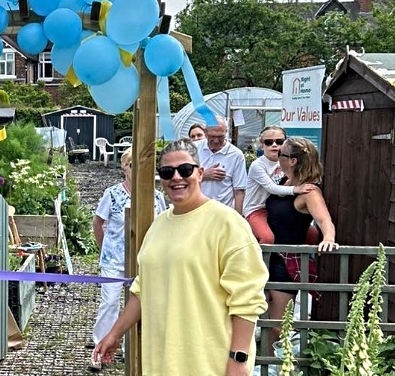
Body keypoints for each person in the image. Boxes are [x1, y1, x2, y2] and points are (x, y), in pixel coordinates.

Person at [95, 138, 268, 375]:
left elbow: (247, 300)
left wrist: (238, 360)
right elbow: (143, 289)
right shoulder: (158, 226)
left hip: (210, 363)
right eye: (167, 172)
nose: (176, 177)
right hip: (161, 362)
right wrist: (115, 334)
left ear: (200, 173)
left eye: (185, 169)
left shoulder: (227, 223)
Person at [88, 147, 166, 369]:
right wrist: (105, 248)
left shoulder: (156, 196)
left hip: (145, 261)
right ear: (124, 167)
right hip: (114, 260)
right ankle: (99, 349)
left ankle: (132, 349)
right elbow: (97, 223)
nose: (138, 170)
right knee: (110, 303)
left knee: (141, 305)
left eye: (143, 165)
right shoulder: (112, 194)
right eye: (132, 165)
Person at [265, 137, 338, 350]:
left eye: (281, 154)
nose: (276, 155)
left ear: (293, 161)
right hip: (268, 256)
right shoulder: (283, 182)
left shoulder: (309, 191)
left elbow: (325, 219)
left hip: (285, 261)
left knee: (276, 324)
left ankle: (272, 366)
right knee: (264, 316)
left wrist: (328, 239)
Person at [243, 126, 317, 244]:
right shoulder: (258, 165)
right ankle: (263, 262)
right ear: (262, 145)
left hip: (278, 207)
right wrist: (296, 189)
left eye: (279, 141)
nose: (274, 145)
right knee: (267, 238)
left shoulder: (287, 161)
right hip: (257, 209)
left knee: (312, 234)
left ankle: (302, 261)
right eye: (268, 142)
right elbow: (272, 188)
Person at [196, 116, 248, 214]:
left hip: (222, 213)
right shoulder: (195, 148)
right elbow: (183, 178)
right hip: (197, 210)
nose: (216, 141)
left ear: (226, 133)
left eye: (220, 137)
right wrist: (203, 175)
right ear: (205, 132)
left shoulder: (236, 155)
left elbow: (239, 191)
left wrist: (238, 218)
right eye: (212, 136)